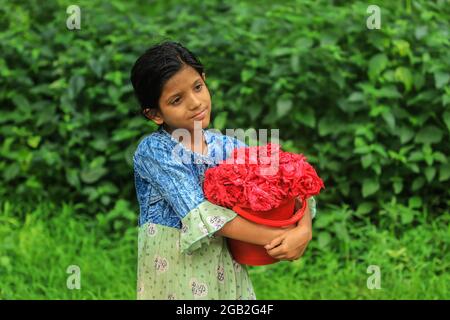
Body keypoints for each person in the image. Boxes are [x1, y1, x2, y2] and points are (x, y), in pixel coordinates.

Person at [130, 40, 317, 300]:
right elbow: (202, 214)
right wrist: (282, 236)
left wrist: (303, 230)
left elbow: (293, 183)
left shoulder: (226, 146)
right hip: (174, 271)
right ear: (155, 114)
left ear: (205, 80)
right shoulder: (155, 152)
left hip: (225, 267)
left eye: (197, 87)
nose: (195, 103)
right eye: (176, 99)